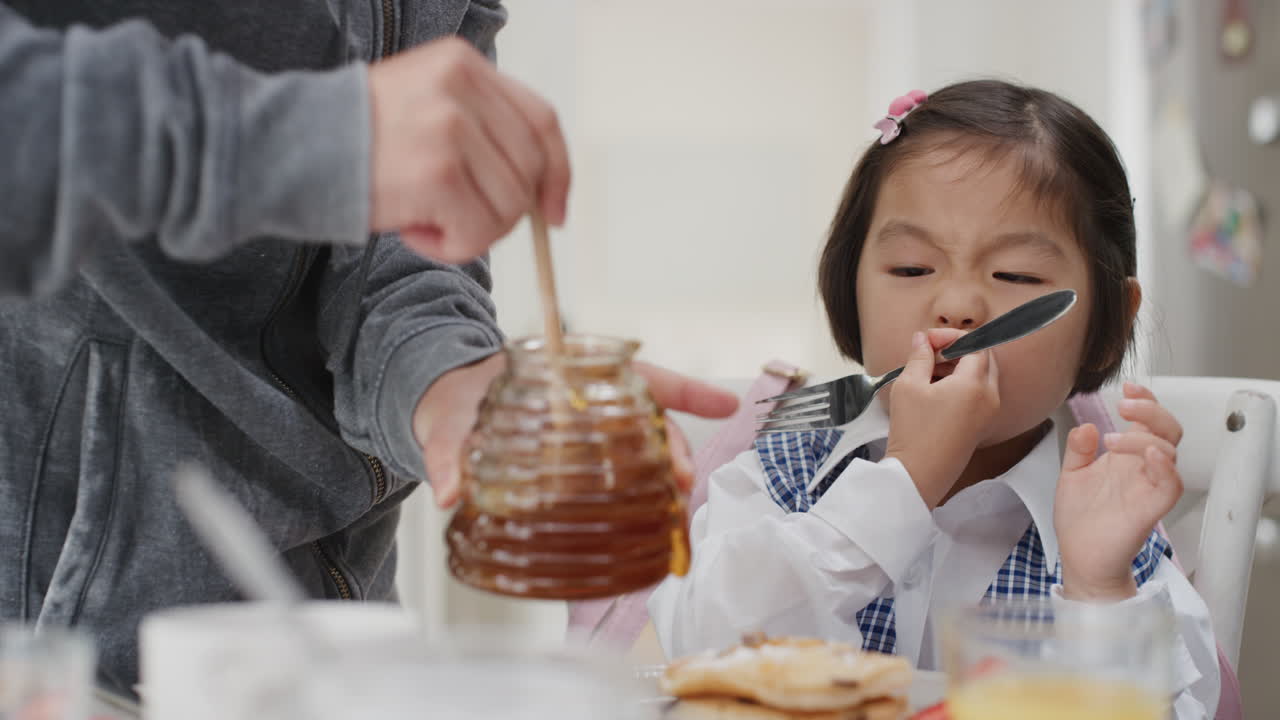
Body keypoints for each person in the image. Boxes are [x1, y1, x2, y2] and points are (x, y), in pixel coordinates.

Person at [0, 0, 736, 697]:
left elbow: (402, 253)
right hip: (68, 657)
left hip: (340, 636)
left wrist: (447, 373)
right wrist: (294, 139)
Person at [648, 80, 1220, 718]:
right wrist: (904, 483)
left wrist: (1098, 587)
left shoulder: (1112, 529)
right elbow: (701, 650)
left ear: (1108, 322)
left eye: (1017, 276)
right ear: (849, 287)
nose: (957, 305)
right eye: (913, 269)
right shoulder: (778, 477)